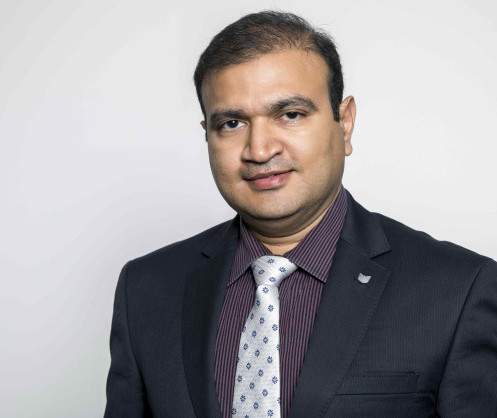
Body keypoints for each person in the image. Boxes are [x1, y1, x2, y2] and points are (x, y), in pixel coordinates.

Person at [104, 11, 497, 418]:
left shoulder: (459, 290)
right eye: (232, 123)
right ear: (208, 134)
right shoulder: (145, 289)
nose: (259, 150)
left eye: (290, 114)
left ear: (345, 124)